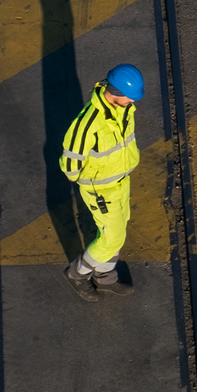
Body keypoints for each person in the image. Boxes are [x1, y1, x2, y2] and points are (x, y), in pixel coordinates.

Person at [60, 64, 144, 301]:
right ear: (116, 93)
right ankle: (78, 273)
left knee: (118, 230)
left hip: (121, 181)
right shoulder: (87, 123)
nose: (133, 101)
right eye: (131, 97)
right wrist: (80, 177)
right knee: (112, 237)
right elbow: (70, 162)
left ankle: (105, 277)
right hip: (101, 190)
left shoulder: (123, 109)